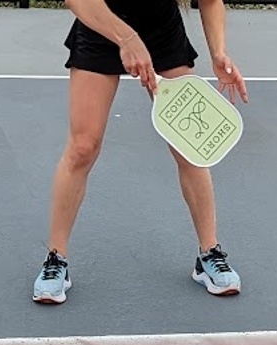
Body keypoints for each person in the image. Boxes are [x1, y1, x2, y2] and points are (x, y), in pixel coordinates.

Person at [32, 0, 249, 304]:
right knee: (83, 147)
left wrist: (219, 52)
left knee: (188, 145)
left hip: (162, 31)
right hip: (101, 26)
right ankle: (56, 259)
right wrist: (126, 38)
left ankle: (208, 254)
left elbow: (211, 1)